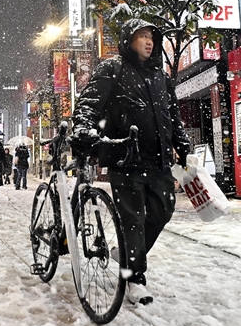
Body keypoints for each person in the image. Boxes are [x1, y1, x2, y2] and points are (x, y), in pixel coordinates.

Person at [71, 19, 190, 305]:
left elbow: (172, 116)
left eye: (152, 37)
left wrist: (182, 144)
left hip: (158, 161)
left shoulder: (161, 78)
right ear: (128, 40)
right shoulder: (112, 69)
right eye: (142, 36)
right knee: (133, 220)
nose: (149, 42)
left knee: (163, 211)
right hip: (125, 157)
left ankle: (125, 254)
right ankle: (134, 278)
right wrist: (84, 128)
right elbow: (88, 103)